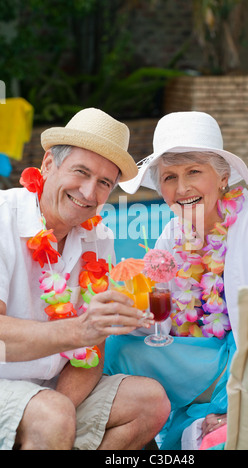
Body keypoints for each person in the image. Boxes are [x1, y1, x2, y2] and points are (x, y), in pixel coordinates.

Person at [104, 111, 248, 450]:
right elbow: (159, 316)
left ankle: (230, 418)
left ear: (223, 177)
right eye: (169, 177)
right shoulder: (172, 233)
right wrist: (128, 314)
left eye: (194, 172)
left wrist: (247, 407)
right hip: (200, 362)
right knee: (110, 348)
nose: (182, 189)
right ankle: (120, 430)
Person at [0, 108, 171, 450]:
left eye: (105, 183)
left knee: (151, 402)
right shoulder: (4, 218)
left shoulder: (100, 239)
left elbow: (92, 350)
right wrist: (78, 330)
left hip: (53, 390)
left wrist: (62, 405)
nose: (89, 193)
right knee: (51, 415)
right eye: (81, 172)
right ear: (49, 165)